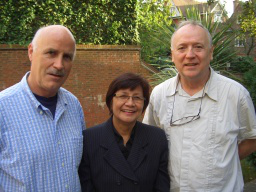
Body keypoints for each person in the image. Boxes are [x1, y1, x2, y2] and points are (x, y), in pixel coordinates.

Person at [143, 20, 256, 192]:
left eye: (198, 47)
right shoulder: (159, 95)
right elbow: (149, 141)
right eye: (182, 48)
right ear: (173, 55)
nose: (190, 55)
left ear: (211, 52)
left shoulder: (236, 95)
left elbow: (252, 139)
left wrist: (223, 162)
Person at [0, 25, 85, 191]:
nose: (59, 65)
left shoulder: (74, 106)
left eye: (67, 57)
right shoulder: (3, 109)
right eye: (51, 53)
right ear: (31, 52)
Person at [78, 72, 170, 192]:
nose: (130, 103)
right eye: (123, 96)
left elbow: (161, 187)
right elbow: (86, 187)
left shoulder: (156, 138)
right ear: (111, 101)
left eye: (137, 97)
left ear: (144, 104)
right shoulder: (90, 139)